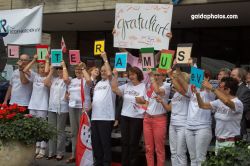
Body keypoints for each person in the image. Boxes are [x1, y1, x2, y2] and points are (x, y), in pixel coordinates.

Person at [194, 77, 243, 154]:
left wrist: (212, 88)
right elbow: (202, 105)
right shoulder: (219, 101)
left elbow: (227, 101)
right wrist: (197, 93)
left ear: (228, 90)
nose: (218, 88)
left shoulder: (238, 103)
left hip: (230, 143)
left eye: (220, 87)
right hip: (218, 141)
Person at [178, 69, 215, 166]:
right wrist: (178, 68)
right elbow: (181, 80)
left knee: (200, 158)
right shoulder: (193, 90)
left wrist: (192, 66)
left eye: (202, 77)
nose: (198, 79)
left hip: (202, 128)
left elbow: (207, 87)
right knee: (193, 158)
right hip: (189, 127)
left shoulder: (210, 92)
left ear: (207, 78)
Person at [112, 66, 148, 166]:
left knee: (133, 143)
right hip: (124, 116)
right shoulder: (126, 85)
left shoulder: (144, 86)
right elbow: (115, 89)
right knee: (124, 142)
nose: (131, 76)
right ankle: (124, 163)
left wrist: (141, 101)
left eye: (133, 74)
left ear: (138, 75)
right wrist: (115, 76)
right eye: (129, 74)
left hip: (137, 118)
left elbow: (147, 103)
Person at [156, 68, 189, 166]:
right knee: (173, 151)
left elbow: (181, 89)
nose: (173, 81)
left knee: (180, 152)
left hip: (182, 124)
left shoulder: (187, 93)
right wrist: (161, 101)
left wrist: (170, 74)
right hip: (173, 124)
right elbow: (168, 108)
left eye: (176, 79)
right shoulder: (176, 94)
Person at [23, 54, 50, 159]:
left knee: (42, 128)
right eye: (40, 67)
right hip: (33, 105)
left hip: (42, 106)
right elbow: (25, 70)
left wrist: (47, 60)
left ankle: (42, 150)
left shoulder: (48, 77)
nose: (42, 69)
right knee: (34, 128)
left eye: (43, 67)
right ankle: (36, 148)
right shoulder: (35, 76)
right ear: (37, 69)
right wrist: (34, 59)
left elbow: (48, 72)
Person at [91, 52, 115, 166]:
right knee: (96, 142)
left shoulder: (111, 82)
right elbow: (95, 100)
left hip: (106, 117)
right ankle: (98, 162)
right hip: (95, 116)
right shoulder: (98, 83)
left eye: (105, 70)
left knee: (105, 142)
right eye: (101, 71)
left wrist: (105, 59)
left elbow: (110, 74)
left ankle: (106, 163)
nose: (103, 72)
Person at [142, 69, 170, 166]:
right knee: (148, 148)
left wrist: (151, 76)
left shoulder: (166, 86)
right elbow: (146, 102)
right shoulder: (150, 86)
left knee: (159, 148)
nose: (156, 77)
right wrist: (140, 104)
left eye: (159, 75)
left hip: (159, 120)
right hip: (147, 118)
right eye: (155, 75)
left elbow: (158, 91)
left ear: (163, 77)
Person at [44, 59, 70, 161]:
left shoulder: (68, 79)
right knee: (51, 131)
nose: (59, 70)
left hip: (62, 108)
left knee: (60, 131)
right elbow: (46, 83)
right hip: (51, 108)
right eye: (57, 68)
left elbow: (66, 79)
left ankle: (60, 152)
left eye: (60, 69)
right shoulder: (54, 79)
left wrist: (64, 66)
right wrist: (51, 70)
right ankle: (51, 152)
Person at [65, 62, 91, 163]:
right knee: (74, 132)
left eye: (79, 69)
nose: (77, 71)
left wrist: (83, 69)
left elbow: (89, 81)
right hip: (72, 106)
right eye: (76, 69)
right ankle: (74, 154)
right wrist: (67, 96)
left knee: (83, 131)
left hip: (83, 108)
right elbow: (67, 93)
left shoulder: (86, 79)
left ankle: (83, 155)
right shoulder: (72, 80)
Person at [230, 68, 250, 139]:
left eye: (233, 75)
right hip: (225, 128)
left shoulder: (245, 90)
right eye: (230, 75)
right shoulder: (228, 88)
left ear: (240, 78)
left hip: (237, 129)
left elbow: (242, 108)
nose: (230, 77)